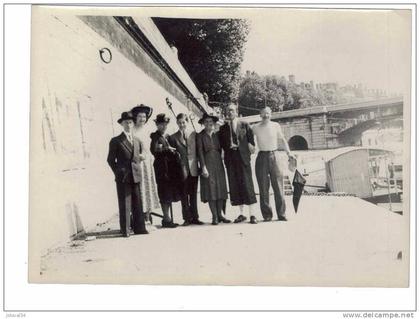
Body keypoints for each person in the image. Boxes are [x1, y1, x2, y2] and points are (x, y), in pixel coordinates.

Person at [107, 111, 148, 237]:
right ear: (122, 124)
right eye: (126, 123)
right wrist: (118, 172)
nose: (128, 125)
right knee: (125, 203)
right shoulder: (116, 141)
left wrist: (143, 156)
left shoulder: (137, 140)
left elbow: (143, 153)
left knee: (137, 202)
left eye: (130, 122)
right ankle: (125, 230)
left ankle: (140, 228)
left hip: (135, 175)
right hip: (123, 177)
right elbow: (110, 160)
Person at [252, 107, 295, 222]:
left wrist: (289, 153)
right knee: (263, 187)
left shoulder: (275, 125)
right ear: (260, 114)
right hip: (261, 157)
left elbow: (283, 140)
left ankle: (281, 214)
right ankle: (267, 215)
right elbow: (247, 140)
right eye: (263, 113)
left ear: (271, 114)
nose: (266, 115)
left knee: (278, 186)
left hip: (275, 155)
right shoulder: (255, 127)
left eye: (268, 113)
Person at [219, 104, 258, 224]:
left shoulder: (245, 125)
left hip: (243, 158)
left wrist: (250, 149)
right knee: (235, 186)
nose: (229, 112)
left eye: (231, 110)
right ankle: (241, 214)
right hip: (231, 159)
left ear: (236, 111)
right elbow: (221, 146)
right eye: (227, 111)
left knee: (248, 185)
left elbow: (251, 142)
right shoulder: (223, 128)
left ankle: (252, 215)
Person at [168, 113, 204, 226]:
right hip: (181, 170)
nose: (181, 124)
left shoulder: (194, 135)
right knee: (184, 195)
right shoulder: (173, 137)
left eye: (183, 122)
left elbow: (198, 151)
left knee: (193, 194)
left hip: (193, 168)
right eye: (179, 123)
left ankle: (195, 217)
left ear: (187, 122)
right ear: (177, 123)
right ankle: (187, 218)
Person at [196, 113, 231, 225]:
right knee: (211, 190)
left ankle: (220, 215)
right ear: (203, 123)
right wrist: (203, 168)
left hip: (218, 163)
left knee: (220, 189)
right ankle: (214, 216)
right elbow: (200, 153)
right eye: (206, 122)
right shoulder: (200, 136)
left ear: (214, 124)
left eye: (211, 122)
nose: (209, 124)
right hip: (207, 163)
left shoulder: (217, 135)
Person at [130, 104, 160, 231]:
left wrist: (151, 156)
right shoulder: (132, 131)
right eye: (140, 116)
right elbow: (131, 149)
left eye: (144, 116)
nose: (142, 119)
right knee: (140, 191)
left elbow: (148, 147)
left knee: (149, 190)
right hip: (139, 164)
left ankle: (148, 218)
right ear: (135, 117)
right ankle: (140, 220)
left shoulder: (146, 130)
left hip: (148, 164)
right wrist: (138, 156)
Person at [150, 113, 180, 228]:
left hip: (170, 168)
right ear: (157, 125)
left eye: (165, 124)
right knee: (164, 193)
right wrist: (167, 149)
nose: (163, 127)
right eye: (161, 124)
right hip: (161, 168)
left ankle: (168, 218)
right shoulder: (155, 136)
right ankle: (166, 218)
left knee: (169, 193)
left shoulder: (167, 136)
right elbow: (154, 150)